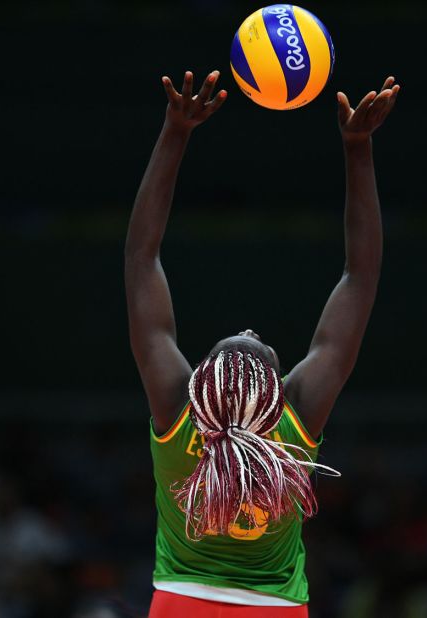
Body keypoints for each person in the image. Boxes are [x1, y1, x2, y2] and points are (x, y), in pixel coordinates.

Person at [125, 68, 399, 616]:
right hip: (273, 608)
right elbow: (360, 277)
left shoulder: (178, 412)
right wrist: (357, 150)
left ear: (200, 379)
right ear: (277, 392)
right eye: (258, 343)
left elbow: (141, 259)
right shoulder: (294, 422)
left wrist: (175, 132)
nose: (251, 329)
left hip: (181, 601)